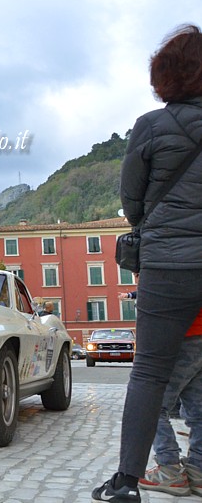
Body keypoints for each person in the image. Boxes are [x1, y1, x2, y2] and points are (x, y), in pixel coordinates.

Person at [93, 25, 202, 502]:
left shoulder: (152, 126)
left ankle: (127, 483)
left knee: (150, 373)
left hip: (168, 267)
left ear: (164, 77)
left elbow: (132, 202)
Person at [138, 309, 202, 496]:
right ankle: (198, 469)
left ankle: (169, 468)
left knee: (151, 405)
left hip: (180, 335)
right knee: (198, 410)